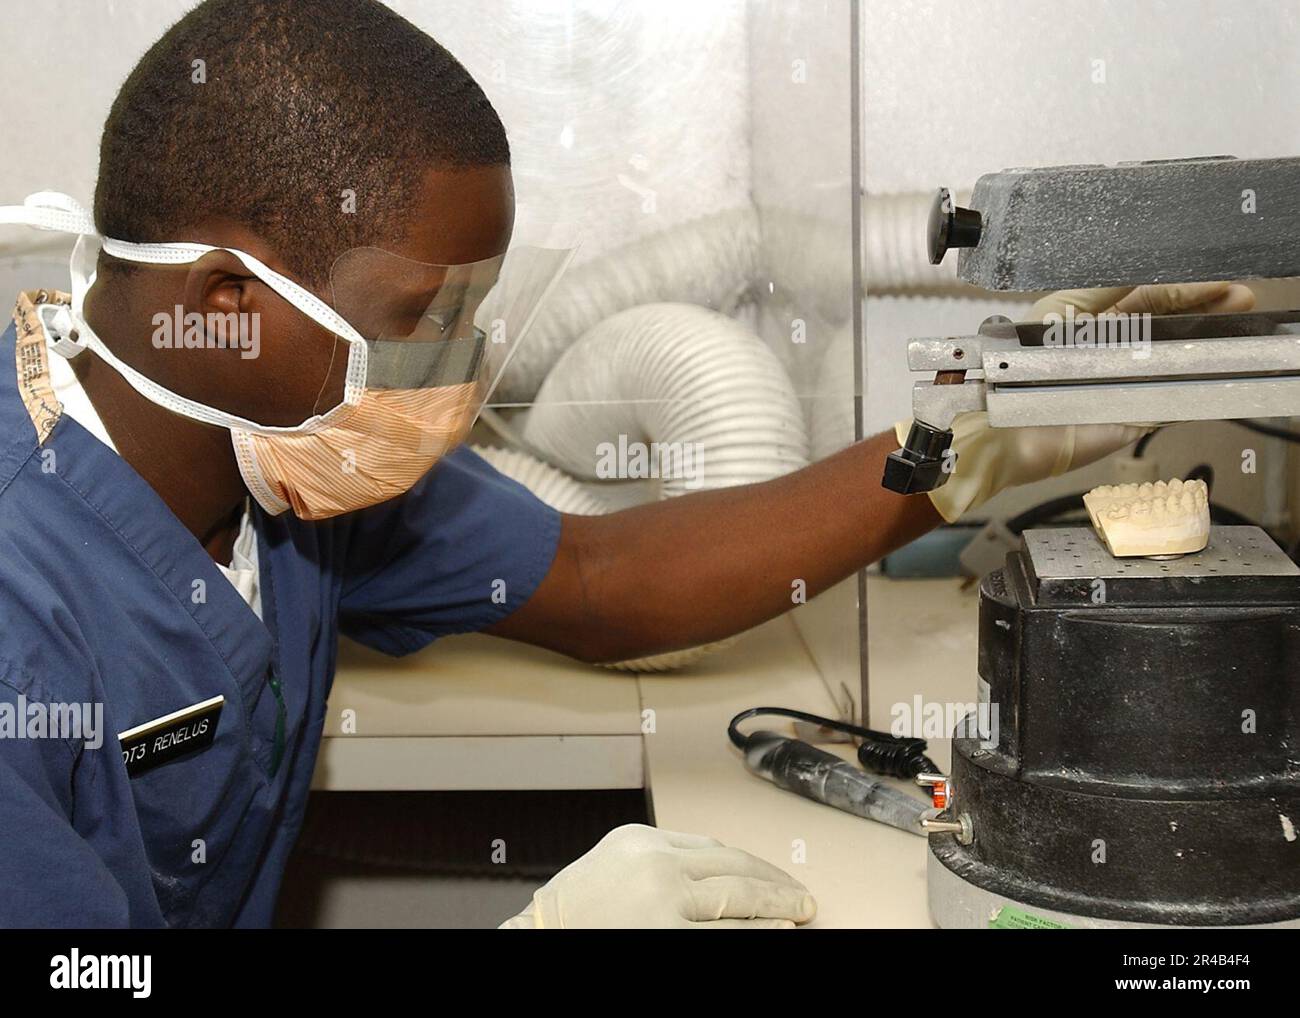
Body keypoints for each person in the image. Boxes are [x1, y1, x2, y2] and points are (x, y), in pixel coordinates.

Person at [0, 0, 1253, 929]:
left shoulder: (287, 473)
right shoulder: (23, 612)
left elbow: (604, 576)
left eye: (475, 311)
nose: (454, 365)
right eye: (425, 313)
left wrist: (969, 441)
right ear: (225, 299)